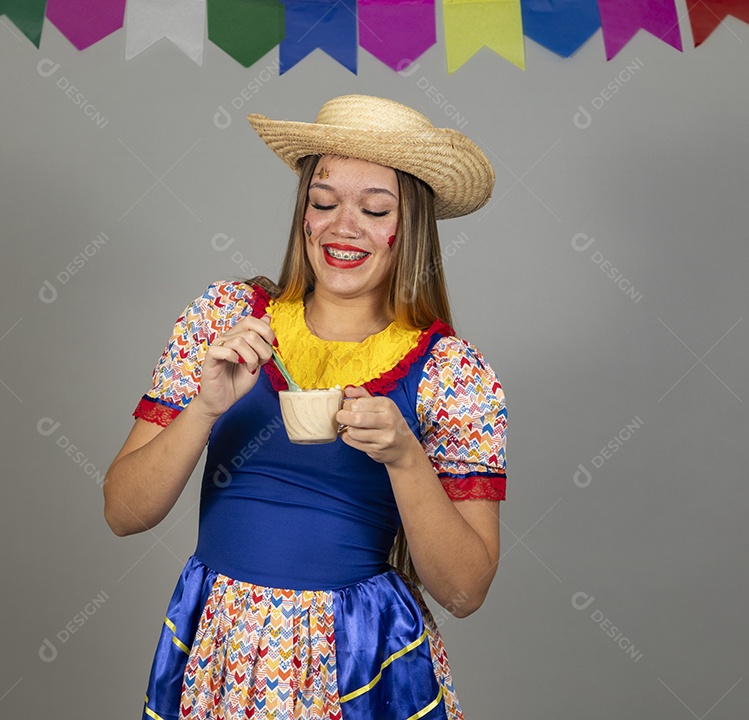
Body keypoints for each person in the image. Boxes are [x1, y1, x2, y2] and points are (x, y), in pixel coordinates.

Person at [104, 94, 507, 720]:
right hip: (223, 644)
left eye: (375, 209)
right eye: (324, 203)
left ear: (414, 228)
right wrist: (205, 408)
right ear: (304, 216)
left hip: (362, 654)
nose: (344, 227)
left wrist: (405, 458)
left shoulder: (450, 374)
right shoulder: (225, 319)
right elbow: (123, 513)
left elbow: (464, 589)